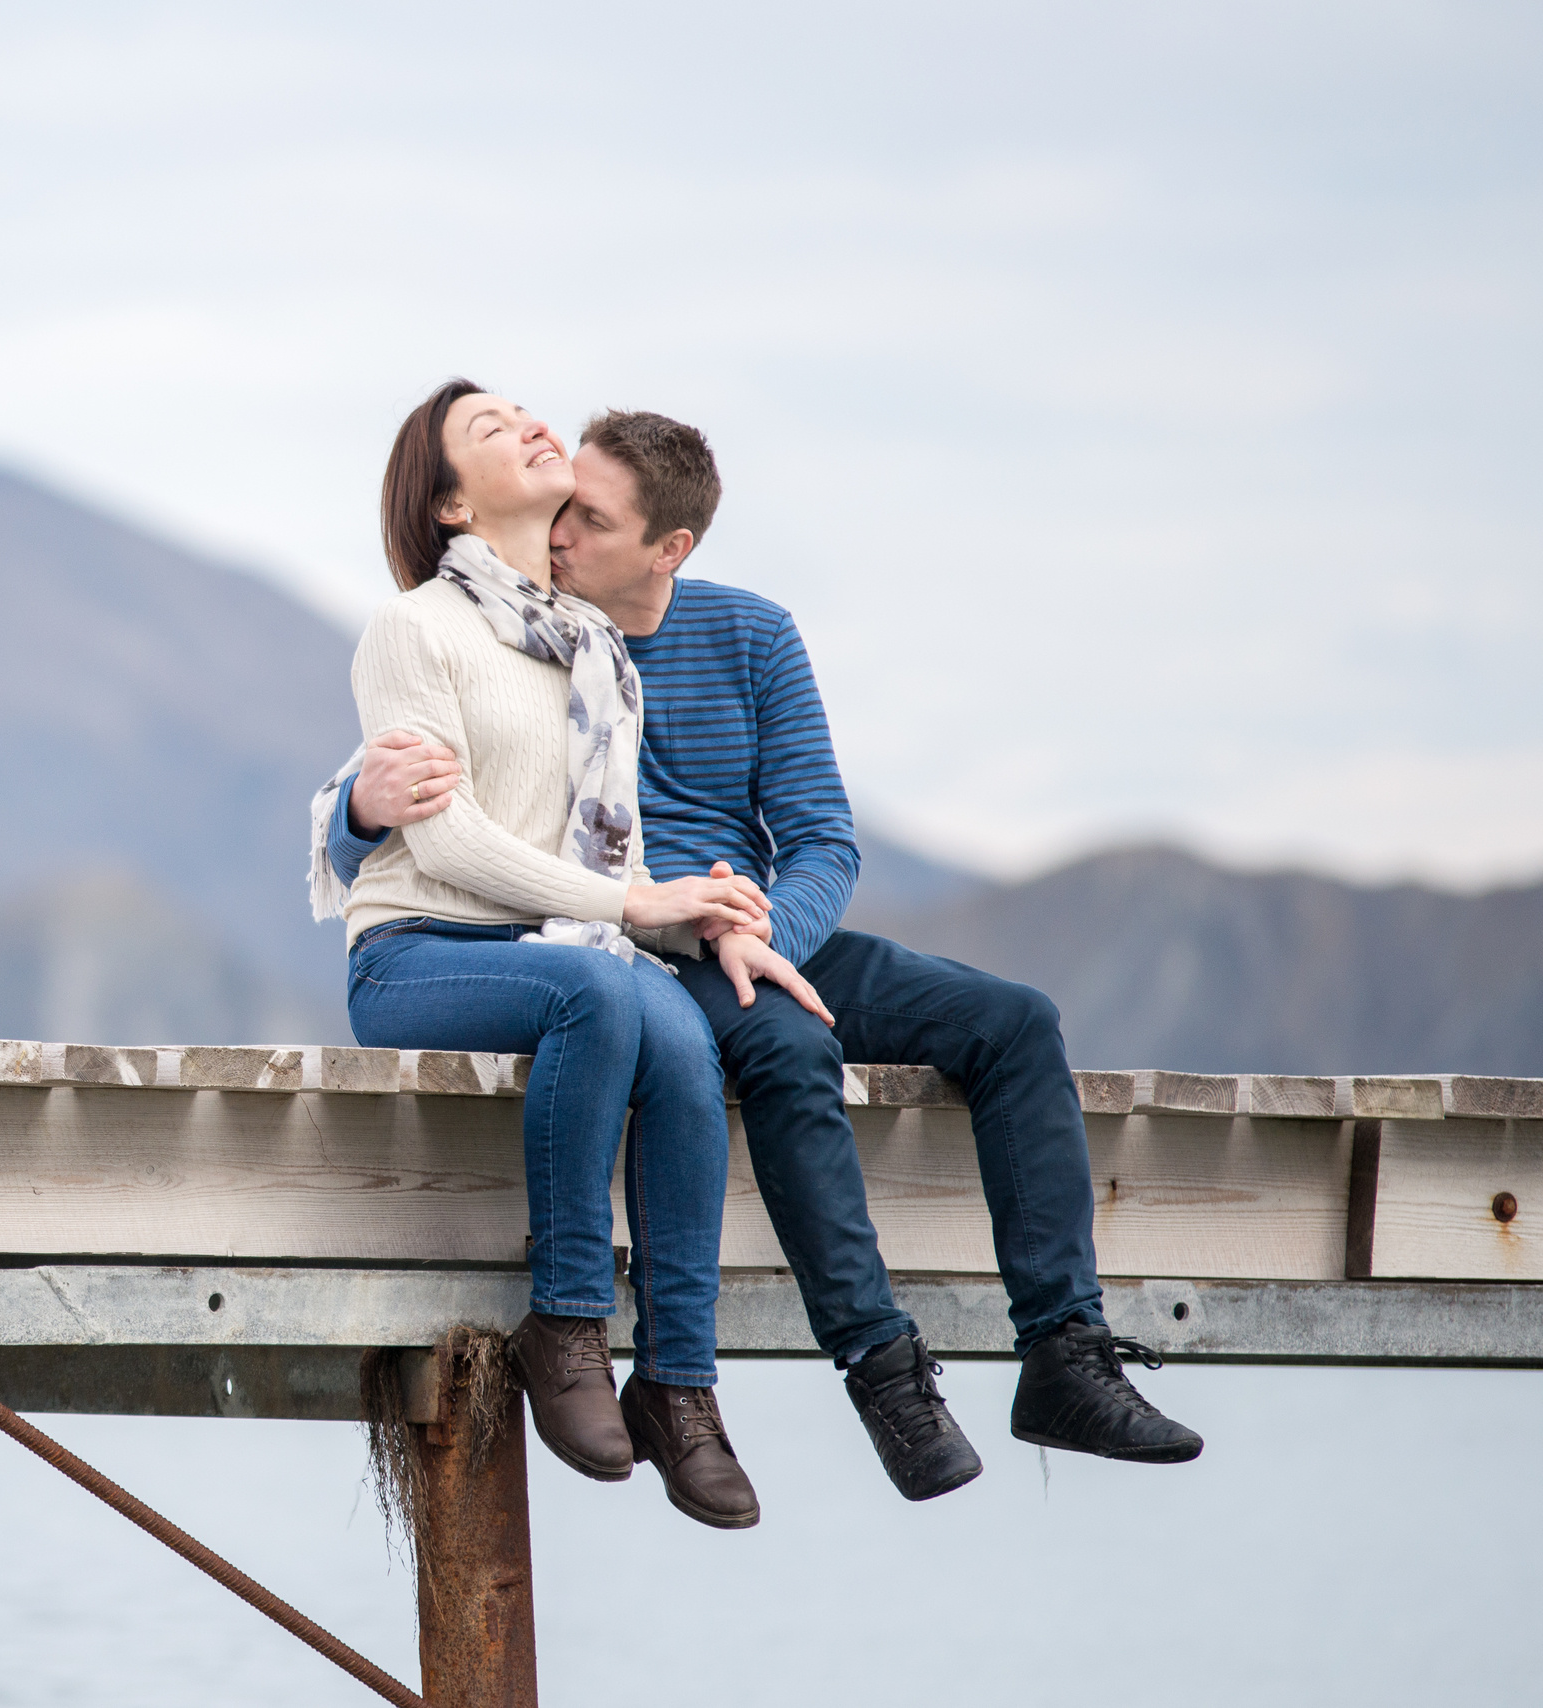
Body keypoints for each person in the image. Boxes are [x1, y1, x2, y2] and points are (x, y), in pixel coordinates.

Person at [328, 404, 1203, 1501]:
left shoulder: (742, 633)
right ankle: (885, 1375)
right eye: (557, 513)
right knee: (784, 1051)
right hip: (640, 934)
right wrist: (353, 815)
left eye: (585, 521)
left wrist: (764, 935)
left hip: (757, 933)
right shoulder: (531, 630)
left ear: (668, 547)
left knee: (1015, 1019)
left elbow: (823, 835)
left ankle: (1065, 1356)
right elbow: (430, 785)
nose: (558, 539)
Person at [317, 379, 834, 1528]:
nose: (530, 426)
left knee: (680, 1029)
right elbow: (446, 839)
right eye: (490, 432)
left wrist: (693, 909)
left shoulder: (587, 641)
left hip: (560, 956)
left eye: (523, 410)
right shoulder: (414, 626)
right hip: (418, 950)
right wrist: (629, 899)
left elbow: (607, 838)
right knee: (607, 988)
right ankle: (565, 1326)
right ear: (451, 505)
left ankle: (681, 1386)